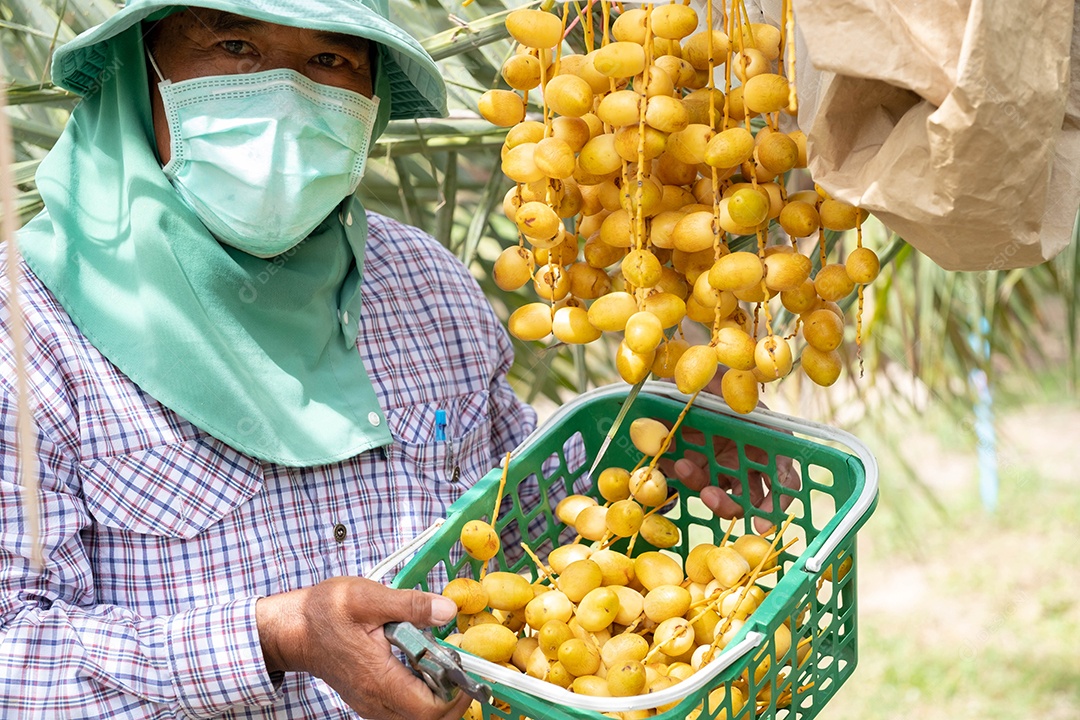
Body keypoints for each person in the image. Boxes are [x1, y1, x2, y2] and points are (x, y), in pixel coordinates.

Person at [0, 1, 797, 717]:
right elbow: (12, 661)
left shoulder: (422, 283)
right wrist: (277, 638)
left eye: (329, 61)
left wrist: (648, 459)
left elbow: (507, 518)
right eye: (235, 44)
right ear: (141, 77)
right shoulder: (24, 333)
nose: (286, 94)